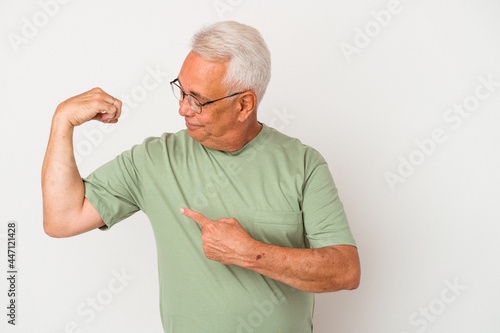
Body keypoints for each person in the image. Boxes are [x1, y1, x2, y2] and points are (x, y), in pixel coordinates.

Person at [42, 21, 360, 332]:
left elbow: (345, 270)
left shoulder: (303, 164)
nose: (183, 109)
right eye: (181, 91)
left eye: (197, 99)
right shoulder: (154, 160)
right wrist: (63, 122)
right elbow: (62, 218)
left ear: (244, 104)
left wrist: (251, 253)